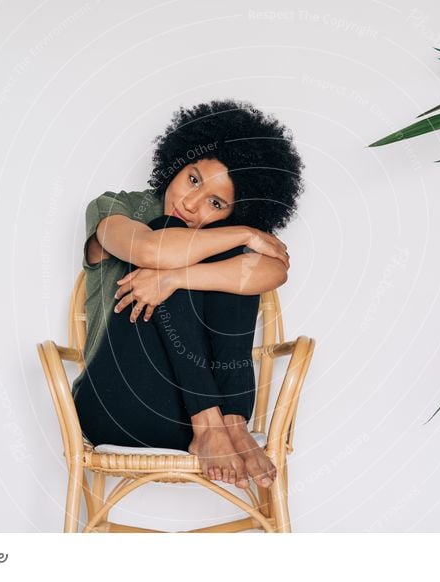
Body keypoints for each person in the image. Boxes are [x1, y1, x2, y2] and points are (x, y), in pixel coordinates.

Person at [71, 99, 304, 491]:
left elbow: (273, 271)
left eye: (216, 204)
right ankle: (212, 422)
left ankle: (231, 423)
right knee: (167, 233)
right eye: (193, 179)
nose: (190, 204)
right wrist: (244, 234)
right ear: (177, 162)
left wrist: (175, 280)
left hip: (189, 418)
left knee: (216, 259)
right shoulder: (118, 206)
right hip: (114, 404)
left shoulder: (216, 238)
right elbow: (150, 251)